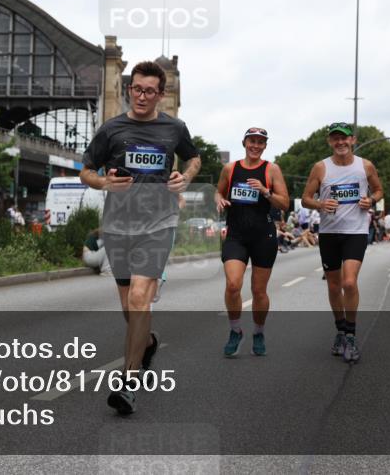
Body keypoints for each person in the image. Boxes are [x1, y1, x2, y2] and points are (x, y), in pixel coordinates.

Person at [79, 60, 201, 415]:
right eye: (137, 88)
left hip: (158, 225)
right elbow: (86, 170)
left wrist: (185, 178)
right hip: (118, 227)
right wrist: (104, 182)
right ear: (129, 89)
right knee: (129, 310)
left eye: (150, 90)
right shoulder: (111, 129)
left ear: (161, 95)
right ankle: (147, 342)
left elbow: (194, 159)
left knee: (138, 298)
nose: (142, 96)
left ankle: (129, 383)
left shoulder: (174, 128)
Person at [302, 122, 384, 363]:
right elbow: (306, 198)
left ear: (353, 140)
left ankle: (351, 334)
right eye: (335, 139)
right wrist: (320, 204)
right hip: (329, 233)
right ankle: (340, 330)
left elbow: (379, 190)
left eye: (344, 138)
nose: (340, 142)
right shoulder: (320, 168)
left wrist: (371, 200)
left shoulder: (365, 166)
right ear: (330, 142)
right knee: (333, 286)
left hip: (355, 232)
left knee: (349, 282)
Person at [215, 127, 289, 357]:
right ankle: (236, 330)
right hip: (236, 235)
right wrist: (219, 201)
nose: (255, 146)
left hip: (263, 236)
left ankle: (258, 332)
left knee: (258, 291)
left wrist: (266, 192)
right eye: (252, 141)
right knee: (233, 285)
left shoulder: (271, 169)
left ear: (265, 146)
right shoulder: (231, 168)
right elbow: (218, 192)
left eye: (260, 142)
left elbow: (284, 203)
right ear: (244, 143)